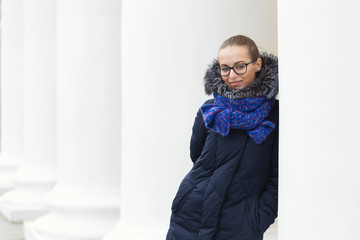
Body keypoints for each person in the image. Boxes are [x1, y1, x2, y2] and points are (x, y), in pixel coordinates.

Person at [166, 35, 278, 240]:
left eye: (240, 66)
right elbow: (197, 159)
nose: (232, 75)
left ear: (258, 64)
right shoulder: (209, 111)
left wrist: (256, 220)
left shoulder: (276, 115)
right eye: (224, 68)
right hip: (190, 220)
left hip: (240, 227)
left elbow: (278, 177)